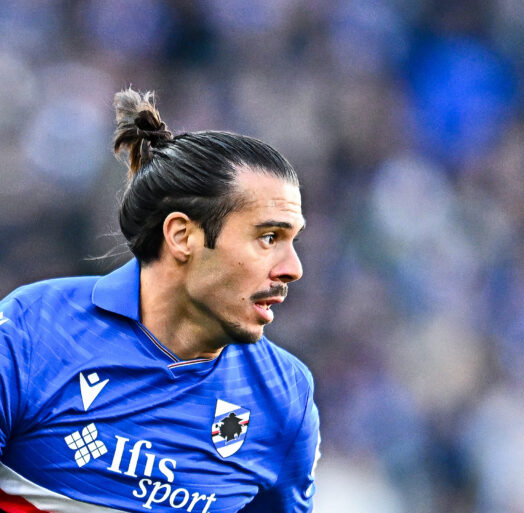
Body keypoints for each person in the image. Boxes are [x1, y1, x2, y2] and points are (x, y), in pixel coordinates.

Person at [0, 88, 320, 512]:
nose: (293, 268)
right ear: (182, 236)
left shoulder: (284, 397)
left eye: (292, 240)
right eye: (268, 237)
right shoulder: (35, 329)